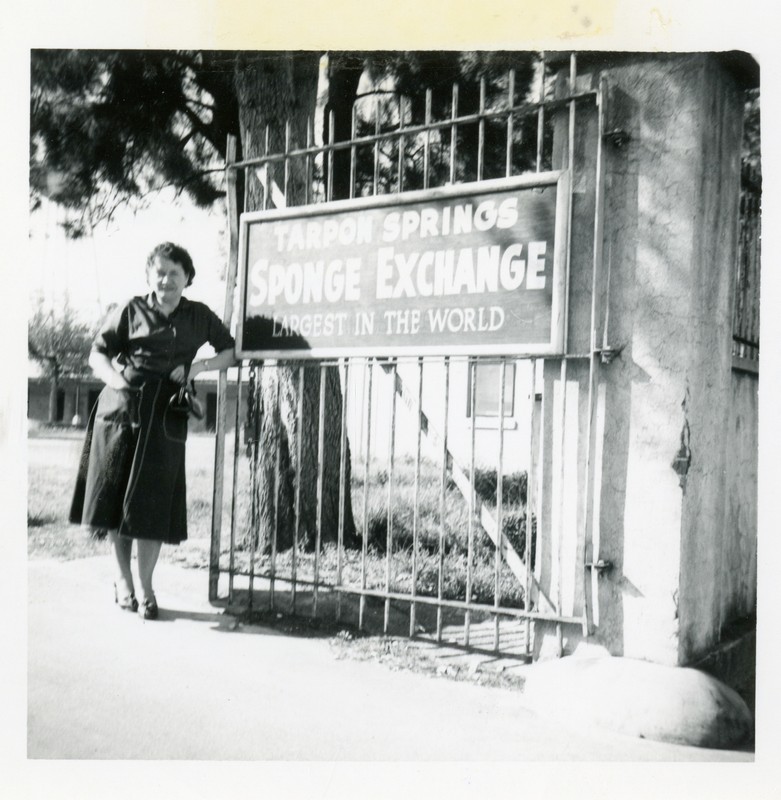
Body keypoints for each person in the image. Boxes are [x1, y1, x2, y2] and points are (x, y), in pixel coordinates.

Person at [70, 242, 235, 620]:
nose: (166, 280)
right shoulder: (130, 309)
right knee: (115, 501)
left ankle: (146, 586)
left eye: (174, 273)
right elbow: (97, 353)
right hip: (121, 411)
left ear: (187, 278)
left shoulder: (199, 315)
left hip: (166, 417)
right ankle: (123, 581)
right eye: (159, 272)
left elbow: (230, 351)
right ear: (149, 276)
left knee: (152, 505)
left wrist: (197, 368)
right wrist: (114, 378)